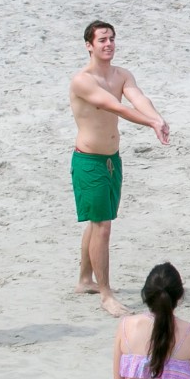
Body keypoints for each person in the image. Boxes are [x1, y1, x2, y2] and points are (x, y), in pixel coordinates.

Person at [70, 20, 171, 317]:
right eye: (102, 40)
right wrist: (150, 122)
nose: (108, 44)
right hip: (89, 162)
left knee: (98, 220)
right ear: (89, 45)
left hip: (112, 160)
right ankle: (106, 294)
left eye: (112, 38)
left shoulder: (121, 75)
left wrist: (158, 118)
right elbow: (118, 108)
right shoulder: (83, 80)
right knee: (102, 226)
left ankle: (85, 280)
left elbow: (139, 98)